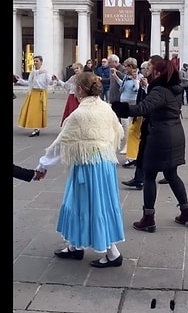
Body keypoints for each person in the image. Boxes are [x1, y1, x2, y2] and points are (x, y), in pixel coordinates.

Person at [35, 71, 126, 268]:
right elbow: (118, 130)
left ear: (80, 90)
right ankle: (75, 246)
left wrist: (42, 165)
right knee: (90, 203)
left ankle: (112, 253)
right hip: (104, 163)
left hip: (88, 166)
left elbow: (61, 143)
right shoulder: (105, 107)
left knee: (91, 204)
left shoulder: (78, 114)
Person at [111, 59, 188, 233]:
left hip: (160, 136)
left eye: (151, 68)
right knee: (172, 174)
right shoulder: (173, 89)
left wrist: (119, 108)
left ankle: (148, 218)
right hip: (175, 132)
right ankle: (187, 212)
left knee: (149, 175)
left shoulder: (160, 90)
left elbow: (144, 107)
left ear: (158, 72)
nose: (148, 70)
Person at [121, 56, 169, 188]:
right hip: (146, 118)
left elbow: (154, 100)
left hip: (155, 121)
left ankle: (169, 174)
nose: (144, 70)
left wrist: (146, 86)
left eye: (147, 67)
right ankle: (139, 178)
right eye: (144, 68)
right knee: (143, 150)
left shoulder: (159, 81)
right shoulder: (146, 79)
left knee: (158, 150)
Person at [15, 55, 50, 137]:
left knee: (37, 112)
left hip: (40, 93)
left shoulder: (45, 72)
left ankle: (36, 129)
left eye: (37, 61)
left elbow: (49, 82)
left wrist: (55, 81)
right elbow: (29, 83)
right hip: (32, 93)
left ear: (41, 62)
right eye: (34, 61)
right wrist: (19, 80)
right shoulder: (33, 72)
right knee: (30, 111)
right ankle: (35, 128)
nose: (35, 63)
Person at [114, 58, 140, 155]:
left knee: (131, 125)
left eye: (126, 66)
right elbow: (123, 85)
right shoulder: (126, 77)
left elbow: (136, 89)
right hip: (123, 101)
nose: (124, 68)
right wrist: (115, 77)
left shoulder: (138, 76)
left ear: (130, 66)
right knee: (125, 125)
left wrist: (135, 80)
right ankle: (127, 144)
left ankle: (130, 145)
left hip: (132, 102)